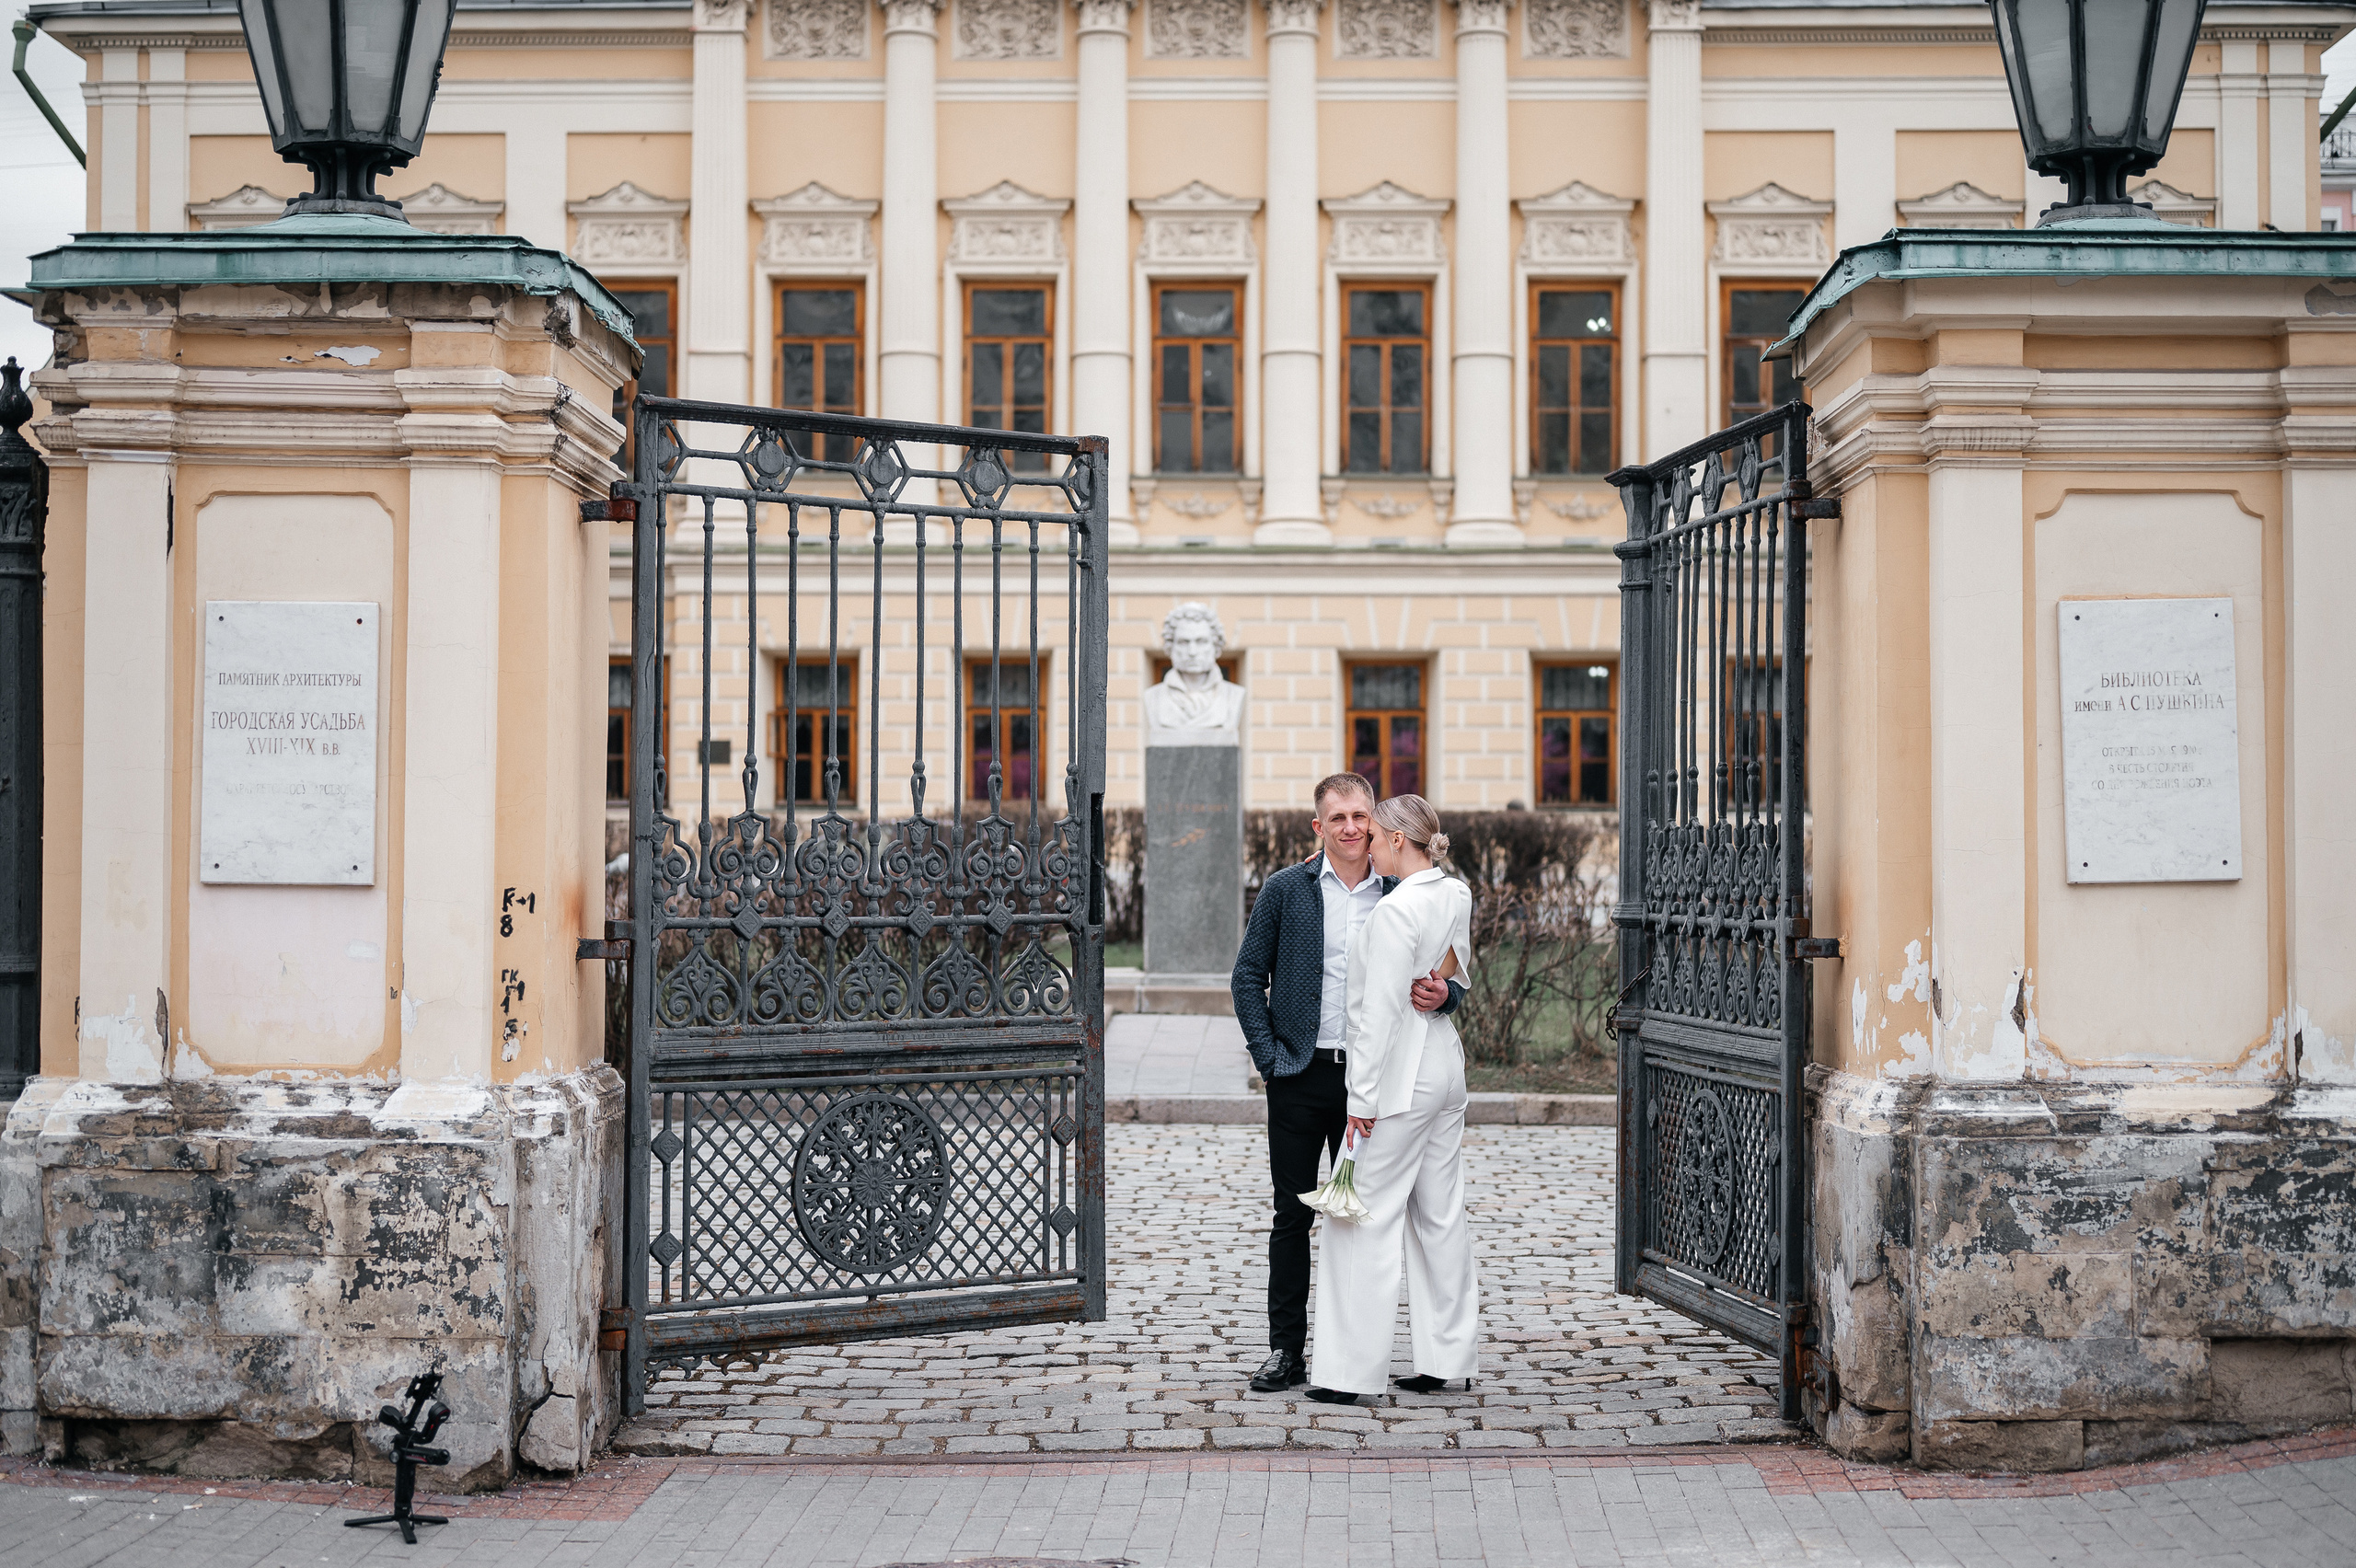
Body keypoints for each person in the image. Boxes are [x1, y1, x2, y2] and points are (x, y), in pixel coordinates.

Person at [1230, 772, 1465, 1395]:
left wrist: (1448, 996)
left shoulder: (1402, 887)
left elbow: (1451, 971)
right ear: (1319, 826)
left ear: (1378, 826)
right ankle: (1287, 1351)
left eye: (1361, 816)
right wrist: (1270, 1058)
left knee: (1364, 1219)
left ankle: (1365, 1355)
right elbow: (1248, 977)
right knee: (1292, 1215)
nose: (1351, 828)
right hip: (1301, 1074)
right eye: (1338, 818)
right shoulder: (1287, 890)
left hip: (1381, 1085)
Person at [1307, 792, 1478, 1404]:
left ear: (1399, 841)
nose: (1368, 845)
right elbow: (1459, 973)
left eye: (1375, 836)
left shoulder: (1393, 913)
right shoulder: (1453, 892)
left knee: (1359, 1219)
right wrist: (1444, 988)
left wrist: (1360, 1102)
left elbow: (1376, 1018)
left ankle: (1348, 1374)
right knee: (1440, 1215)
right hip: (1445, 1069)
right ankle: (1447, 1359)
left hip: (1401, 1079)